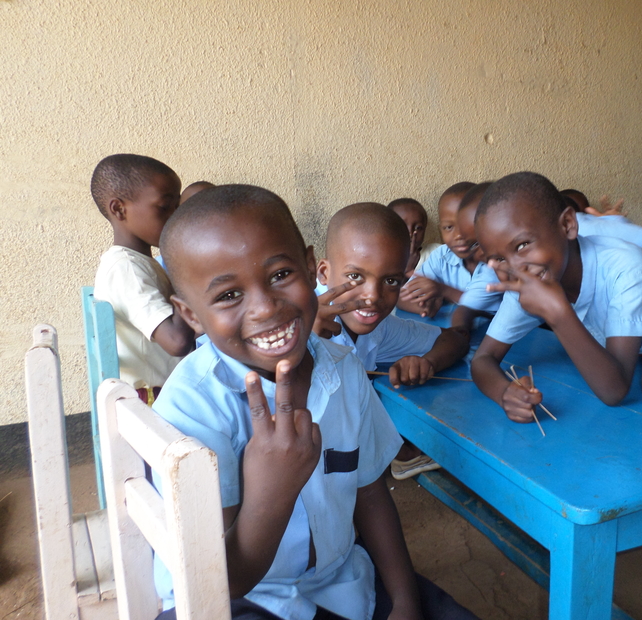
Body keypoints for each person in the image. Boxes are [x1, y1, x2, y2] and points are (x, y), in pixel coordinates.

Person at [153, 185, 476, 620]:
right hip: (236, 601)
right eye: (229, 295)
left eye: (280, 275)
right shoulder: (193, 408)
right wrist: (273, 490)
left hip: (341, 579)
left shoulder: (343, 370)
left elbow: (371, 492)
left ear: (309, 268)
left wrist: (403, 601)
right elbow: (221, 583)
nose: (266, 308)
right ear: (191, 315)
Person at [470, 171, 642, 421]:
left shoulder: (626, 268)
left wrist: (558, 313)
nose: (515, 268)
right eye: (498, 259)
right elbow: (483, 359)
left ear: (567, 225)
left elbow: (614, 391)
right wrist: (504, 393)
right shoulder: (528, 279)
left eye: (522, 245)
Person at [315, 202, 469, 480]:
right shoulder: (293, 328)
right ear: (324, 273)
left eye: (391, 281)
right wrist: (303, 344)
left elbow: (454, 340)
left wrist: (426, 362)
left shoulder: (377, 327)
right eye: (354, 277)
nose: (372, 296)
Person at [91, 154, 194, 403]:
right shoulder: (126, 269)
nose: (176, 216)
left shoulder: (140, 264)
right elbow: (178, 341)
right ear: (119, 209)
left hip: (164, 394)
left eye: (178, 207)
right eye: (164, 207)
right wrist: (186, 266)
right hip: (151, 403)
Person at [397, 182, 477, 317]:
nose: (459, 235)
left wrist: (445, 291)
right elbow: (400, 297)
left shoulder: (499, 260)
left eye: (467, 224)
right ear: (441, 229)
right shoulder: (440, 257)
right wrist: (423, 307)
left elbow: (492, 305)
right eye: (449, 227)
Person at [388, 198, 428, 278]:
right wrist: (408, 268)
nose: (410, 233)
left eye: (418, 228)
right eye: (402, 226)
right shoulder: (384, 259)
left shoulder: (437, 254)